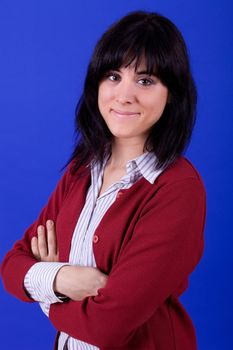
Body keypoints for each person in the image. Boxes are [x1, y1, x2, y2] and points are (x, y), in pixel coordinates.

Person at [1, 10, 206, 350]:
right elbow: (12, 266)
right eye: (113, 76)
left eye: (145, 80)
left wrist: (45, 294)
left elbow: (106, 327)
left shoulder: (178, 188)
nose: (124, 95)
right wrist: (63, 278)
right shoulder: (82, 169)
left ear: (172, 93)